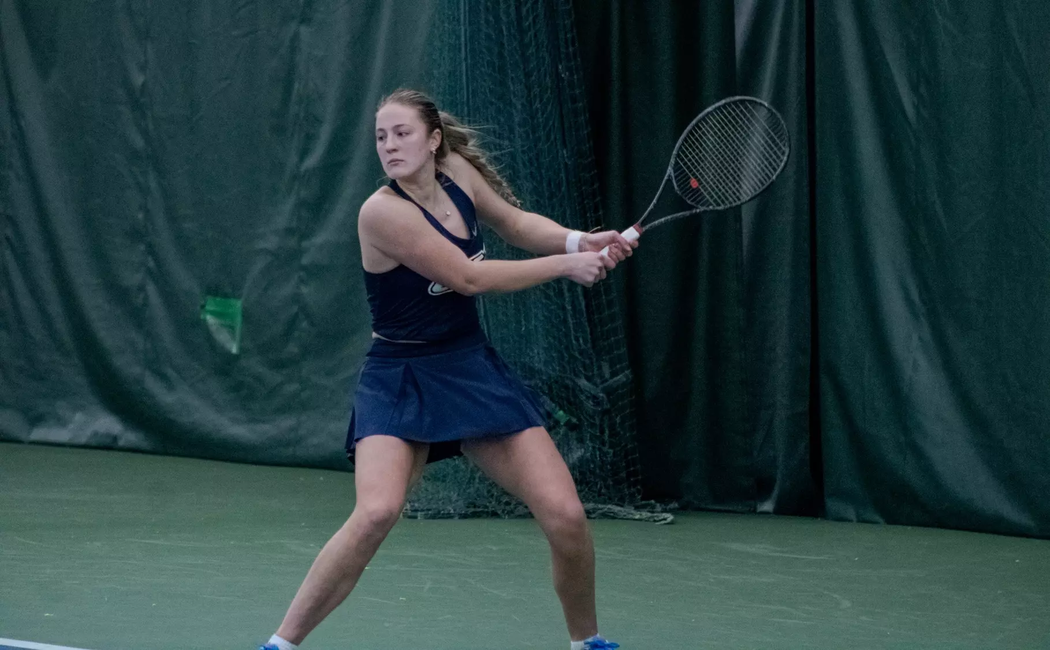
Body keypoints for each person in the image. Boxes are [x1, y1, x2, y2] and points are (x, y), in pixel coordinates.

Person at [259, 88, 637, 650]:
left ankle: (588, 643)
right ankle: (280, 645)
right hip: (400, 374)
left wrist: (580, 239)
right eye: (381, 137)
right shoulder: (381, 213)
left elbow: (512, 222)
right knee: (377, 512)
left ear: (434, 140)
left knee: (565, 515)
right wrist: (568, 265)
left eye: (402, 132)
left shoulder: (455, 172)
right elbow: (469, 278)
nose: (389, 145)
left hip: (468, 366)